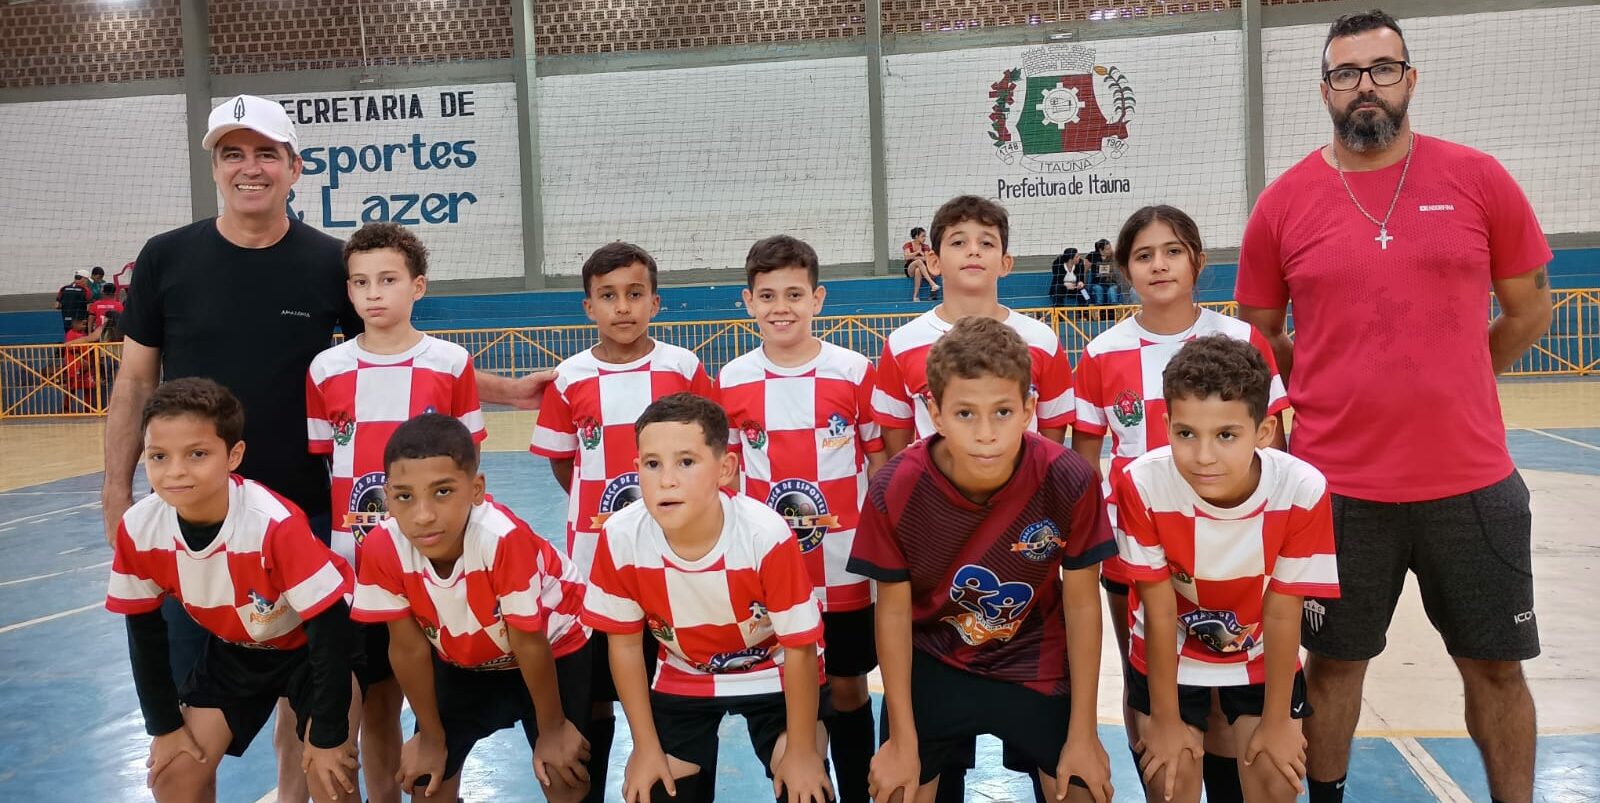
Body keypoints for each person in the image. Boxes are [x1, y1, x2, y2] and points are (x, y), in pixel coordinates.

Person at [103, 93, 549, 803]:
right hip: (195, 518)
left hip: (307, 520)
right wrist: (115, 491)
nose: (250, 167)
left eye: (265, 153)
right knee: (187, 729)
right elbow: (133, 382)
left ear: (294, 167)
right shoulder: (166, 258)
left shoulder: (329, 263)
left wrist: (507, 389)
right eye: (233, 153)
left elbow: (396, 352)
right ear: (214, 165)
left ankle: (297, 791)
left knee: (318, 695)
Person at [1234, 11, 1553, 803]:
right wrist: (1333, 384)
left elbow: (1529, 310)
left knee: (1496, 667)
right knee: (1335, 665)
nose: (1364, 86)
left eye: (1382, 68)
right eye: (1347, 73)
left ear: (1411, 78)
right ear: (1325, 91)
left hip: (1472, 481)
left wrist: (1462, 374)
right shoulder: (1283, 205)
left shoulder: (1478, 178)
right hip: (1336, 491)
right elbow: (1264, 333)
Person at [1072, 205, 1290, 803]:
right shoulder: (1100, 353)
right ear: (1124, 270)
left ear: (1197, 260)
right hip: (1133, 553)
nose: (1159, 264)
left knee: (1224, 678)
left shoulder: (1242, 339)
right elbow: (1086, 466)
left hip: (1235, 552)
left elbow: (1277, 448)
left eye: (1172, 251)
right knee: (1148, 676)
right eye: (1143, 255)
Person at [849, 316, 1115, 803]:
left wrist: (1084, 734)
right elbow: (890, 613)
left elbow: (1081, 605)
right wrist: (902, 741)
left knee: (1084, 788)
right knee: (896, 789)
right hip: (935, 657)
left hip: (1034, 653)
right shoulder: (895, 488)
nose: (987, 433)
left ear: (1029, 408)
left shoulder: (1069, 478)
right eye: (966, 413)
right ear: (935, 412)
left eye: (1003, 412)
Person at [873, 194, 1077, 802]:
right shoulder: (902, 343)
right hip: (935, 563)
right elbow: (890, 448)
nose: (973, 252)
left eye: (986, 242)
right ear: (932, 260)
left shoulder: (1041, 340)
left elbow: (1055, 444)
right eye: (958, 242)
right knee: (927, 764)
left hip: (1021, 559)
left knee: (1066, 767)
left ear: (1006, 262)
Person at [104, 378, 359, 802]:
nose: (176, 470)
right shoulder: (139, 528)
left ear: (233, 456)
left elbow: (329, 628)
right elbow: (144, 635)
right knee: (173, 775)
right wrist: (164, 728)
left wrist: (329, 736)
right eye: (158, 456)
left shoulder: (272, 523)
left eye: (197, 454)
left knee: (331, 776)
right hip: (238, 650)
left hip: (312, 650)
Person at [530, 241, 719, 802]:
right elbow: (565, 461)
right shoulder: (570, 378)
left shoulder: (682, 367)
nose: (623, 307)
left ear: (655, 303)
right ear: (588, 307)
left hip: (674, 567)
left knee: (670, 691)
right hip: (593, 567)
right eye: (608, 296)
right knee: (590, 698)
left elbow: (708, 456)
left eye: (635, 294)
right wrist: (609, 522)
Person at [1111, 334, 1337, 803]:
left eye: (1226, 435)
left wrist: (1278, 722)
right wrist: (1167, 722)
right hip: (1168, 651)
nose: (1204, 455)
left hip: (1258, 652)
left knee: (1276, 779)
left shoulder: (1301, 489)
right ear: (1166, 424)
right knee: (1170, 781)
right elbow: (1158, 610)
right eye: (1186, 433)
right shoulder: (1142, 484)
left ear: (1264, 432)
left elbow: (1280, 611)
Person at [306, 222, 487, 803]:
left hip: (435, 568)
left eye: (388, 279)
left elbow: (467, 464)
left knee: (438, 701)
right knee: (376, 698)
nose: (373, 293)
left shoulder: (451, 362)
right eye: (360, 282)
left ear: (419, 286)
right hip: (354, 569)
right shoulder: (325, 370)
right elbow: (323, 464)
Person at [581, 392, 834, 803]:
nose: (666, 480)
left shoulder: (764, 535)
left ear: (725, 469)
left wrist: (804, 753)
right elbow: (625, 646)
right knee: (651, 790)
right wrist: (645, 749)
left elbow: (801, 649)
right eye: (652, 464)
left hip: (774, 669)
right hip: (685, 674)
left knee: (807, 790)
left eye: (686, 462)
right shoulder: (621, 536)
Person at [719, 235, 887, 803]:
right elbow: (729, 478)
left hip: (844, 568)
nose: (780, 307)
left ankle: (860, 789)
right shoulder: (734, 379)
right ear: (747, 302)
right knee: (792, 688)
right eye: (767, 295)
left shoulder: (854, 370)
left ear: (819, 298)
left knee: (846, 686)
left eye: (794, 293)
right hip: (775, 571)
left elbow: (880, 462)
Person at [351, 414, 593, 803]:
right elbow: (409, 648)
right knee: (424, 782)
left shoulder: (501, 539)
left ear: (476, 488)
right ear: (387, 496)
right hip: (465, 663)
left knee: (565, 775)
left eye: (442, 492)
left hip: (553, 650)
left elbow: (530, 641)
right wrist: (430, 736)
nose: (423, 514)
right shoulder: (383, 546)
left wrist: (552, 731)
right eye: (404, 496)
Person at [902, 227, 940, 302]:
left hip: (921, 269)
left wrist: (914, 257)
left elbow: (926, 258)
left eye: (925, 236)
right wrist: (917, 252)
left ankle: (915, 296)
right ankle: (932, 283)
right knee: (919, 262)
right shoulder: (908, 245)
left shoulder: (925, 246)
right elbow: (906, 257)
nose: (924, 238)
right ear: (916, 236)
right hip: (909, 269)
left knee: (918, 270)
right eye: (922, 236)